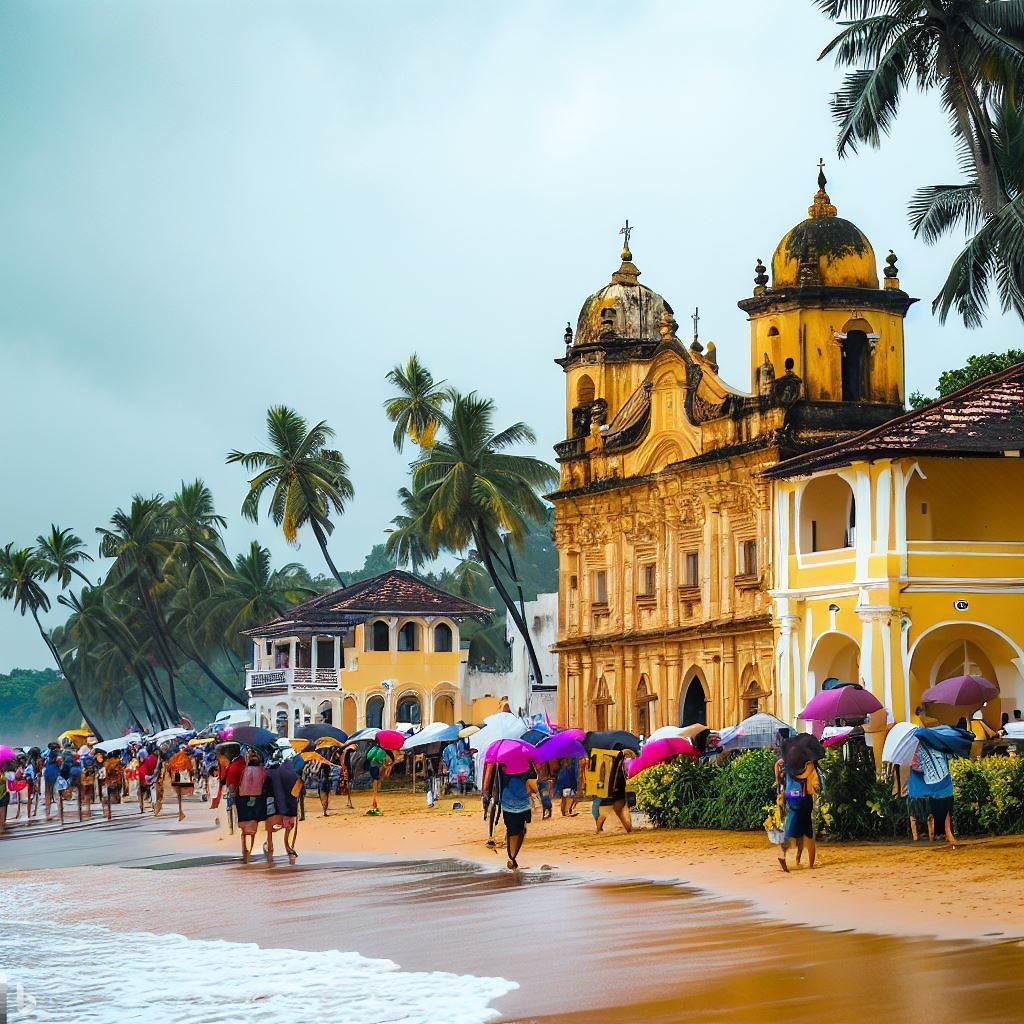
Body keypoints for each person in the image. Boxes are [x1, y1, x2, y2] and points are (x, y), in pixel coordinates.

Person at [774, 735, 822, 872]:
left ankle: (789, 857)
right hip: (804, 798)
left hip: (791, 797)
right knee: (807, 832)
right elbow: (816, 784)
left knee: (791, 828)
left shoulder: (788, 764)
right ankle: (809, 864)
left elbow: (777, 765)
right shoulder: (809, 766)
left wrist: (778, 779)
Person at [264, 756, 301, 865]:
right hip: (290, 806)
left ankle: (270, 844)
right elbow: (297, 790)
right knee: (289, 826)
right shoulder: (293, 774)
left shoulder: (269, 774)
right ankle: (286, 845)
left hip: (275, 804)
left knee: (270, 826)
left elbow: (267, 789)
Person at [498, 767, 536, 871]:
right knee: (520, 830)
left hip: (508, 801)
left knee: (512, 830)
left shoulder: (502, 764)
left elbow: (497, 782)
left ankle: (512, 856)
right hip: (523, 802)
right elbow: (533, 782)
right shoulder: (527, 763)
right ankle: (512, 856)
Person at [235, 749, 268, 863]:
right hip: (257, 798)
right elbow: (264, 782)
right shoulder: (262, 770)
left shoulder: (245, 770)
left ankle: (244, 849)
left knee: (243, 827)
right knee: (254, 826)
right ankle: (251, 848)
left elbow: (240, 783)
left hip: (243, 798)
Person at [596, 750, 635, 834]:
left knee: (605, 812)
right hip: (617, 792)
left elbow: (617, 762)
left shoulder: (615, 770)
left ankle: (598, 830)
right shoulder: (618, 769)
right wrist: (626, 753)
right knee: (618, 812)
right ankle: (628, 829)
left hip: (613, 792)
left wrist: (625, 753)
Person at [165, 743, 195, 821]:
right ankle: (181, 812)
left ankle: (180, 812)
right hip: (183, 778)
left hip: (176, 777)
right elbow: (190, 769)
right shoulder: (186, 758)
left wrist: (170, 775)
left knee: (179, 795)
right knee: (181, 795)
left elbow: (168, 767)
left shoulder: (174, 757)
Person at [100, 752, 125, 821]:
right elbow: (120, 772)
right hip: (116, 781)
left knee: (107, 797)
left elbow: (104, 774)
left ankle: (108, 812)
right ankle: (110, 811)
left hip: (108, 782)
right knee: (114, 795)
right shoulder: (118, 762)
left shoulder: (106, 763)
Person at [42, 742, 61, 820]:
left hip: (47, 772)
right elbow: (59, 762)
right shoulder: (57, 753)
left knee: (47, 793)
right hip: (55, 773)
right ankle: (59, 812)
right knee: (57, 793)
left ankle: (47, 813)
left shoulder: (46, 753)